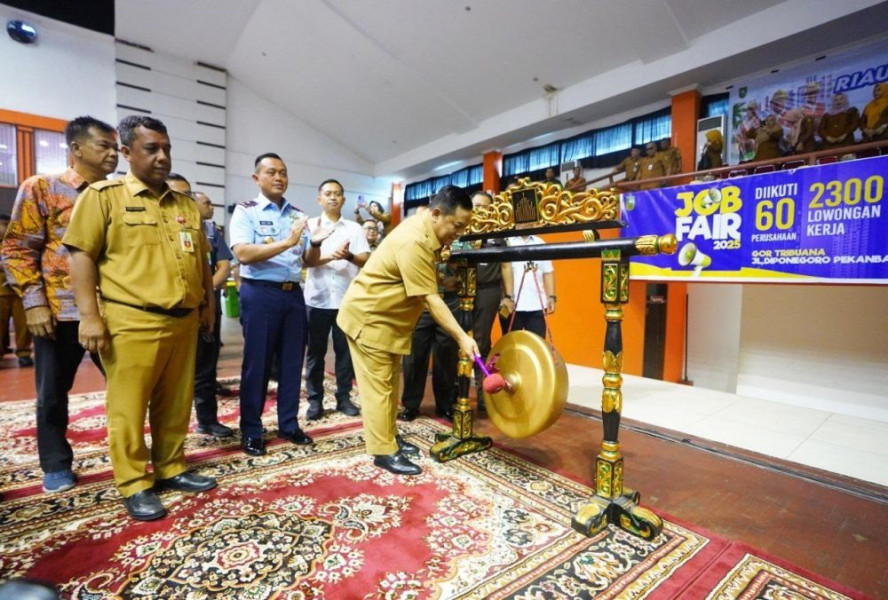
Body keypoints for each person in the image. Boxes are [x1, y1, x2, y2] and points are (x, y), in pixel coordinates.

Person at [63, 115, 217, 521]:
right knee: (128, 407)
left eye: (167, 148)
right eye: (152, 149)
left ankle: (171, 467)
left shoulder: (186, 204)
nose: (162, 156)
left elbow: (200, 260)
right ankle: (134, 482)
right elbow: (81, 256)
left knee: (176, 401)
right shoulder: (103, 196)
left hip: (184, 319)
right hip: (131, 319)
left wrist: (207, 305)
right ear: (127, 152)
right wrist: (89, 317)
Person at [1, 116, 116, 494]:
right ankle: (55, 463)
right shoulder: (42, 188)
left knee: (126, 387)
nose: (113, 154)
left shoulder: (117, 194)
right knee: (52, 393)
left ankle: (128, 455)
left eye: (115, 147)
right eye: (103, 146)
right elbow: (17, 248)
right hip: (59, 311)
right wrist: (34, 304)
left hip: (112, 311)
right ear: (76, 149)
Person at [337, 185, 478, 476]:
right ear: (436, 214)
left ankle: (389, 437)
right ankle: (383, 451)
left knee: (389, 385)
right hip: (370, 318)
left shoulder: (426, 230)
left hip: (389, 320)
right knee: (379, 389)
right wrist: (462, 337)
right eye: (457, 226)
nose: (459, 233)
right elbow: (431, 298)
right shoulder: (414, 240)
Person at [228, 153, 324, 457]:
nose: (279, 178)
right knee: (257, 364)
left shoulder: (298, 215)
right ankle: (252, 430)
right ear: (257, 178)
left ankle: (288, 424)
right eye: (271, 172)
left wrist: (316, 242)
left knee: (293, 362)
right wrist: (287, 242)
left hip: (292, 295)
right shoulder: (246, 211)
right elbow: (243, 253)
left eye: (283, 172)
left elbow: (309, 261)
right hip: (260, 294)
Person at [166, 173, 234, 438]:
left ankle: (207, 421)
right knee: (169, 373)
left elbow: (223, 265)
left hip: (206, 307)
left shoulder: (209, 230)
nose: (180, 200)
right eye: (175, 194)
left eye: (186, 194)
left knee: (205, 368)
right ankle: (169, 431)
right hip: (169, 309)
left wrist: (204, 294)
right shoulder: (155, 225)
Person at [303, 179, 370, 421]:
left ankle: (344, 398)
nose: (333, 197)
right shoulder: (309, 226)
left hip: (346, 301)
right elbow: (304, 261)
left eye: (338, 194)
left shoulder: (354, 228)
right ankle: (315, 401)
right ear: (319, 199)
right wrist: (330, 256)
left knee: (345, 353)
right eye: (328, 193)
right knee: (315, 353)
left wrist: (348, 255)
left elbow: (366, 259)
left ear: (343, 199)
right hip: (316, 300)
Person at [398, 246, 461, 423]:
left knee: (447, 355)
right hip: (421, 301)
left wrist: (454, 271)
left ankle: (445, 405)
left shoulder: (459, 242)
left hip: (449, 301)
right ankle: (410, 405)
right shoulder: (419, 242)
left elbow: (467, 269)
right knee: (414, 356)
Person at [466, 191, 504, 411]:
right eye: (476, 206)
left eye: (484, 206)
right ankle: (457, 394)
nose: (480, 210)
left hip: (488, 293)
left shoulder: (498, 233)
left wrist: (507, 296)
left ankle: (484, 396)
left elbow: (506, 265)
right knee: (458, 343)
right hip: (461, 293)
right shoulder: (461, 230)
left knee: (480, 343)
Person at [499, 234, 556, 340]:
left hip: (536, 305)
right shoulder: (506, 242)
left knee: (537, 344)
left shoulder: (540, 243)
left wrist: (551, 296)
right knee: (510, 344)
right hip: (511, 305)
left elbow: (548, 272)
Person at [0, 215, 33, 367]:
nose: (3, 228)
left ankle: (24, 352)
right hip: (1, 293)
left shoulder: (19, 244)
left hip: (19, 291)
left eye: (6, 224)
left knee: (23, 325)